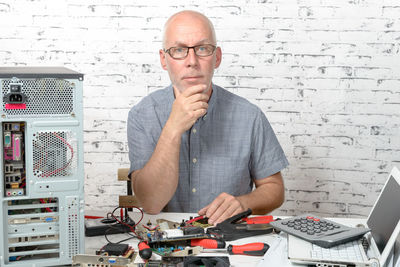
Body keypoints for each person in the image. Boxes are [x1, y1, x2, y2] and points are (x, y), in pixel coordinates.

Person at [127, 10, 289, 225]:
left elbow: (274, 190)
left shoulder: (250, 116)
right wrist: (173, 128)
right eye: (179, 50)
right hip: (167, 241)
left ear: (217, 57)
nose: (192, 61)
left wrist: (243, 203)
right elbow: (150, 204)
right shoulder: (142, 115)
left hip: (229, 239)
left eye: (202, 48)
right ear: (164, 60)